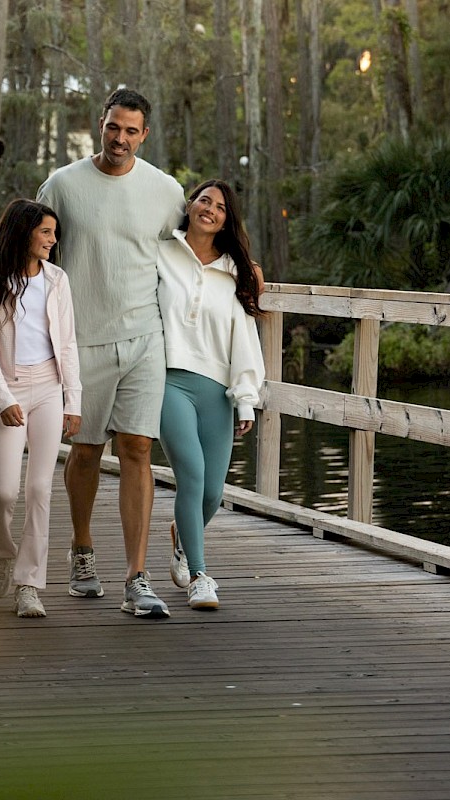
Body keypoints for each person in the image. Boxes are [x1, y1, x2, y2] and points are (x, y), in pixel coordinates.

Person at [0, 88, 185, 619]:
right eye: (113, 128)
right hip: (80, 341)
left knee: (138, 450)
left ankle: (136, 576)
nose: (120, 139)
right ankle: (82, 550)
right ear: (100, 125)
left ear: (144, 135)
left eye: (131, 131)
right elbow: (27, 238)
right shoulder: (64, 183)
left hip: (145, 337)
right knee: (85, 452)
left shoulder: (165, 190)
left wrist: (245, 269)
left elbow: (198, 244)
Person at [0, 199, 82, 618]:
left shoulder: (57, 280)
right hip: (11, 392)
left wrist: (74, 401)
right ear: (25, 233)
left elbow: (67, 344)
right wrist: (5, 400)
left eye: (54, 233)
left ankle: (29, 584)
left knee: (39, 489)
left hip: (50, 388)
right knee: (5, 492)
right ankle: (2, 553)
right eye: (46, 233)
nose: (54, 240)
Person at [157, 179, 265, 610]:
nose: (211, 209)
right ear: (190, 204)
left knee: (212, 494)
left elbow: (244, 337)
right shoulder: (162, 252)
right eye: (205, 200)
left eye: (220, 207)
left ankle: (182, 540)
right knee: (193, 474)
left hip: (217, 388)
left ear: (227, 220)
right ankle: (201, 576)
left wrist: (245, 398)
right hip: (168, 380)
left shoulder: (236, 272)